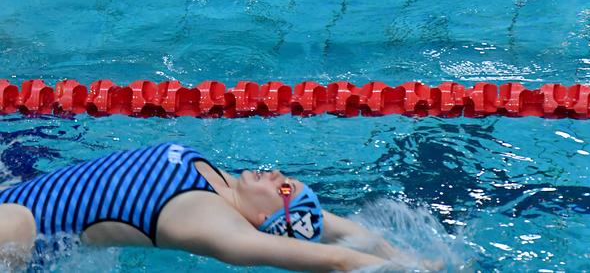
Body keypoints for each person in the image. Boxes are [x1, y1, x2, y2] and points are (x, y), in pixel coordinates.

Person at [0, 141, 430, 270]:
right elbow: (328, 227)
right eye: (287, 180)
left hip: (14, 232)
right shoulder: (222, 182)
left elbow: (335, 258)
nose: (278, 176)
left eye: (283, 188)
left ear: (264, 220)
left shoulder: (213, 222)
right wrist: (412, 261)